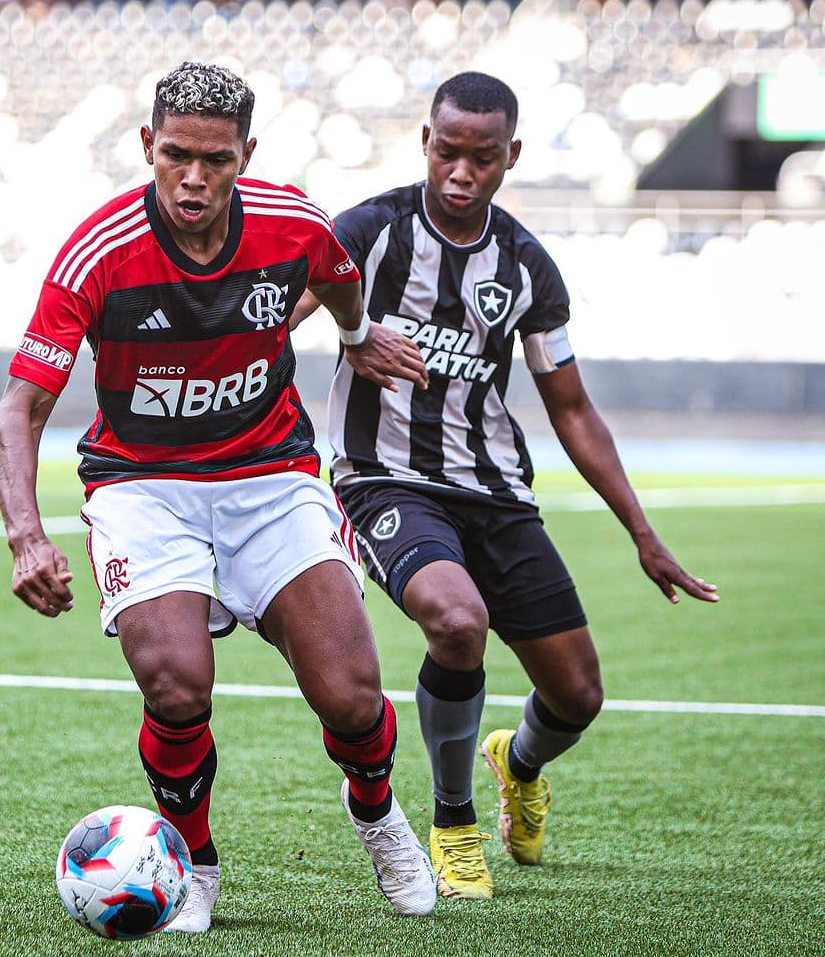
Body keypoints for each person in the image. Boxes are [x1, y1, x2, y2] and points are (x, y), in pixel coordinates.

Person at [0, 62, 437, 933]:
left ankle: (378, 812)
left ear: (246, 156)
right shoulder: (98, 250)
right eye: (177, 155)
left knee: (351, 696)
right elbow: (21, 406)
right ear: (147, 145)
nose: (194, 179)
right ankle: (193, 863)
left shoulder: (291, 222)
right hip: (143, 486)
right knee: (175, 683)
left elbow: (336, 271)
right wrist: (25, 537)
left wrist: (354, 332)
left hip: (270, 476)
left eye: (216, 160)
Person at [290, 71, 719, 901]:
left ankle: (515, 764)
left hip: (495, 492)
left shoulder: (526, 266)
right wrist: (352, 335)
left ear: (510, 156)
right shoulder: (368, 232)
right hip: (384, 480)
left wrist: (642, 532)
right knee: (458, 622)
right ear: (426, 141)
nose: (461, 172)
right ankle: (453, 826)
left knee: (577, 695)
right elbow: (276, 322)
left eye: (482, 158)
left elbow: (572, 408)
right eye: (447, 152)